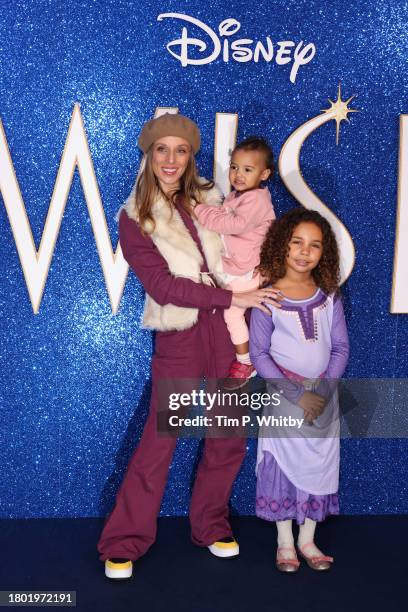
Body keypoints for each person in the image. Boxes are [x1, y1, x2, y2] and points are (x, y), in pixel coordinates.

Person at [97, 113, 281, 579]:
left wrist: (257, 287)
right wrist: (230, 295)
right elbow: (161, 285)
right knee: (161, 437)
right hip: (181, 328)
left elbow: (249, 244)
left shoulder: (215, 197)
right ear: (150, 153)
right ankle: (125, 539)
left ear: (191, 156)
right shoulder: (132, 215)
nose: (172, 159)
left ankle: (211, 523)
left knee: (229, 431)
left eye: (181, 150)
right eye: (163, 149)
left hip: (231, 326)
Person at [249, 208, 349, 573]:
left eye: (315, 245)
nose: (305, 252)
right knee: (282, 467)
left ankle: (308, 539)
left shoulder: (328, 296)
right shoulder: (268, 298)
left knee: (319, 466)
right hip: (283, 398)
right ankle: (285, 542)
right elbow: (259, 354)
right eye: (297, 243)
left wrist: (321, 391)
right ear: (282, 245)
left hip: (323, 399)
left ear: (325, 253)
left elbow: (339, 348)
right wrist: (297, 395)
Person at [194, 137, 275, 390]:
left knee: (232, 312)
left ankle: (245, 361)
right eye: (234, 167)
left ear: (264, 174)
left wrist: (198, 209)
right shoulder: (237, 197)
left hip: (247, 270)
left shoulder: (257, 200)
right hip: (236, 267)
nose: (238, 174)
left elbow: (233, 225)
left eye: (247, 170)